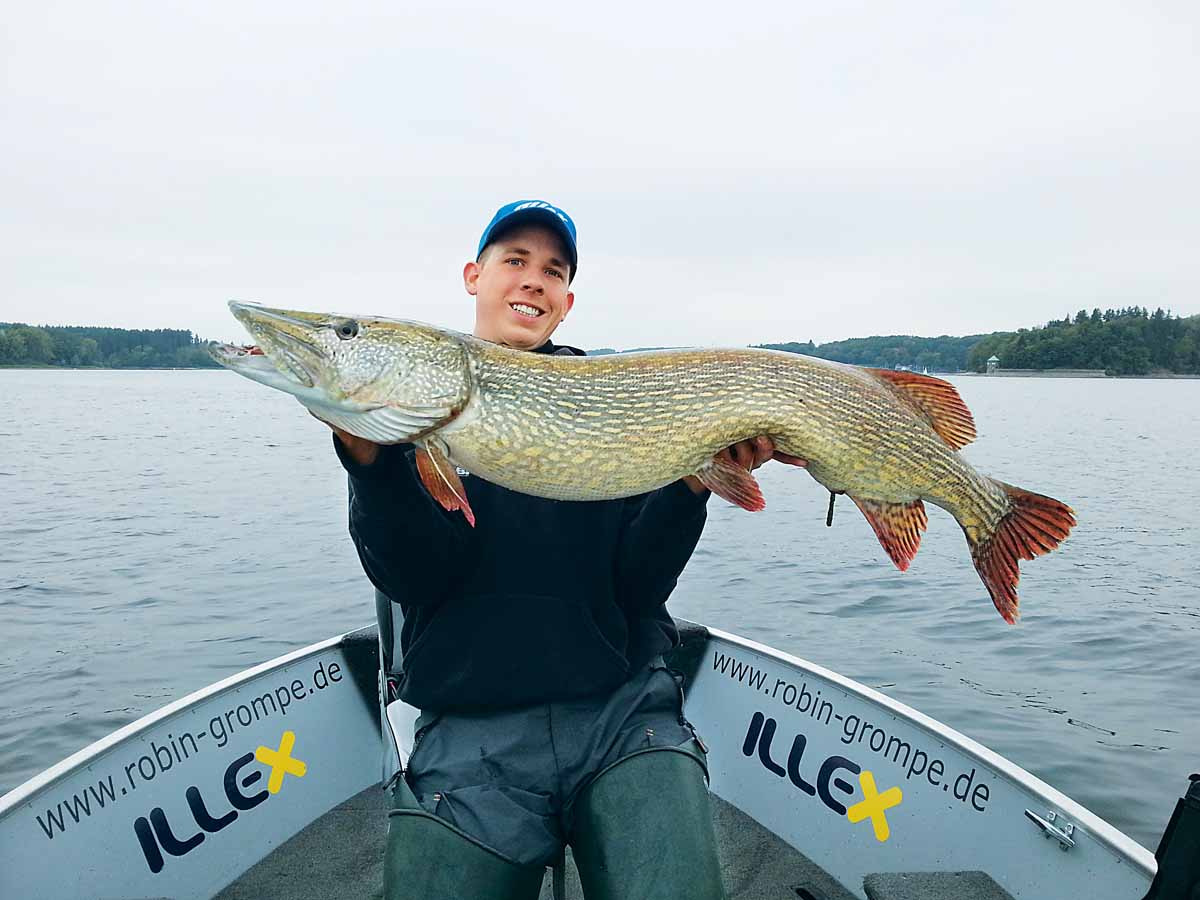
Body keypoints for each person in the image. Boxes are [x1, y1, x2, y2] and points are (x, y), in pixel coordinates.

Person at [321, 200, 795, 899]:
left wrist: (694, 481)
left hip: (624, 714)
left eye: (552, 270)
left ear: (566, 304)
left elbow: (638, 588)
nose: (533, 279)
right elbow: (415, 579)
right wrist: (370, 462)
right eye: (514, 260)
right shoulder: (416, 416)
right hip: (472, 728)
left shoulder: (616, 399)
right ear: (473, 277)